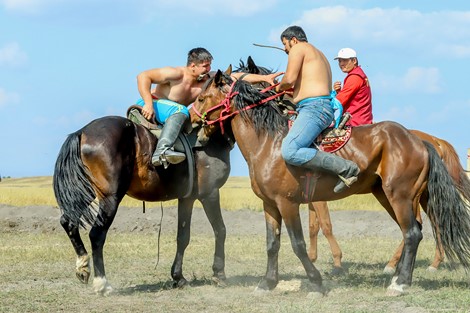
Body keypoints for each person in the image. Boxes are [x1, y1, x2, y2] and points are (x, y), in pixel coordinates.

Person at [137, 47, 282, 167]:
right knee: (182, 110)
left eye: (210, 65)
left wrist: (264, 78)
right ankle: (162, 151)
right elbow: (143, 76)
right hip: (152, 106)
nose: (209, 69)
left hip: (175, 116)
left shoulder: (207, 79)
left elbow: (238, 76)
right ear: (192, 66)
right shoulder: (175, 73)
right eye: (205, 66)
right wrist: (148, 104)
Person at [274, 26, 359, 193]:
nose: (285, 49)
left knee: (290, 151)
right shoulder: (319, 54)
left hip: (313, 109)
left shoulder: (298, 48)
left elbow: (289, 79)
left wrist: (278, 87)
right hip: (320, 107)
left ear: (294, 40)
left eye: (285, 44)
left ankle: (346, 169)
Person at [333, 48, 373, 126]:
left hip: (355, 122)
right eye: (340, 61)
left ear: (354, 61)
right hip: (363, 120)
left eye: (344, 60)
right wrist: (338, 92)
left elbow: (339, 101)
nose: (341, 64)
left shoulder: (354, 77)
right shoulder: (359, 74)